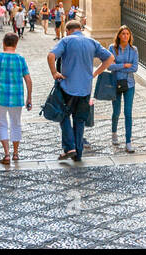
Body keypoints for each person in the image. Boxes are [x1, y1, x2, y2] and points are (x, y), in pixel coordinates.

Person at [47, 18, 114, 162]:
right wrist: (95, 73)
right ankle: (78, 153)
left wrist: (54, 72)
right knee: (80, 120)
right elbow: (110, 58)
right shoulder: (92, 42)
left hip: (67, 87)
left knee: (63, 115)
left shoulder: (66, 40)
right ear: (80, 29)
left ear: (68, 30)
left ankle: (70, 147)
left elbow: (51, 55)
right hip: (85, 88)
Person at [0, 32, 32, 163]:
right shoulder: (20, 59)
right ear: (16, 44)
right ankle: (16, 153)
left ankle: (6, 154)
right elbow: (28, 80)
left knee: (2, 124)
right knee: (16, 123)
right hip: (16, 97)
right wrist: (29, 98)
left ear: (3, 43)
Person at [108, 25, 139, 153]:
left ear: (130, 36)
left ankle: (128, 141)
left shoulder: (134, 50)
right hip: (115, 84)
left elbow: (135, 68)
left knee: (128, 113)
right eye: (123, 33)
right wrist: (125, 65)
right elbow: (109, 66)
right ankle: (114, 132)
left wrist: (118, 66)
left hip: (129, 84)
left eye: (127, 34)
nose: (125, 36)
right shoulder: (112, 48)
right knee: (116, 111)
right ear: (119, 35)